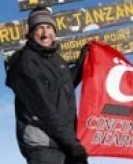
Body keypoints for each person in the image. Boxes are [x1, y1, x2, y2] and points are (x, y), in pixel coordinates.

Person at [5, 6, 88, 164]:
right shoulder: (25, 63)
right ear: (30, 33)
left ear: (55, 32)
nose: (45, 33)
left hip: (62, 141)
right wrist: (72, 144)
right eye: (39, 28)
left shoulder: (56, 60)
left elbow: (64, 87)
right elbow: (43, 109)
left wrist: (81, 64)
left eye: (49, 27)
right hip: (43, 146)